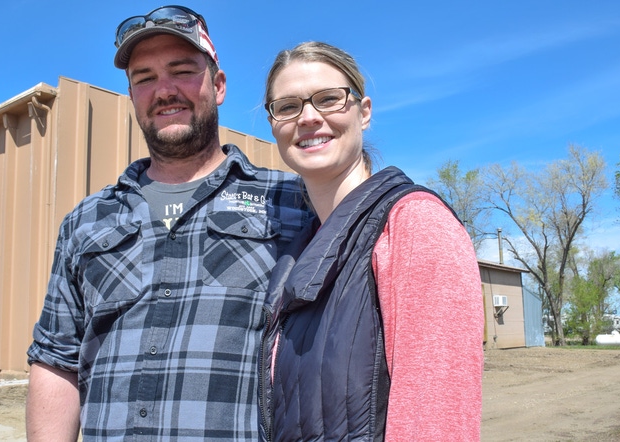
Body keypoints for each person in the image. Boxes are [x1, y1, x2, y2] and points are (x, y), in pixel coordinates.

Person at [25, 6, 311, 441]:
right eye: (144, 78)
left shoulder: (294, 204)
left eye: (181, 71)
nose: (164, 90)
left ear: (218, 86)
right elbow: (56, 361)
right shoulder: (86, 220)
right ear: (132, 96)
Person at [258, 41, 484, 441]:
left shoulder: (414, 224)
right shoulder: (297, 251)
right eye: (288, 106)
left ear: (363, 112)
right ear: (274, 124)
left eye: (328, 99)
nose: (308, 117)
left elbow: (435, 424)